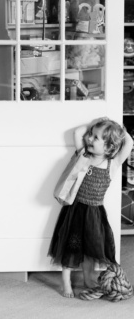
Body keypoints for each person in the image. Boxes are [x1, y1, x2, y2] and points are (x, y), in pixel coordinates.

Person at [48, 117, 133, 298]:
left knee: (90, 249)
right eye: (91, 135)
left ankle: (88, 278)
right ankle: (66, 282)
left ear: (109, 147)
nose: (89, 139)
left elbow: (129, 142)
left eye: (96, 138)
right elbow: (77, 133)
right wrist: (99, 123)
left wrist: (115, 128)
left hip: (95, 213)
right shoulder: (84, 156)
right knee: (71, 246)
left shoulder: (113, 164)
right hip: (76, 211)